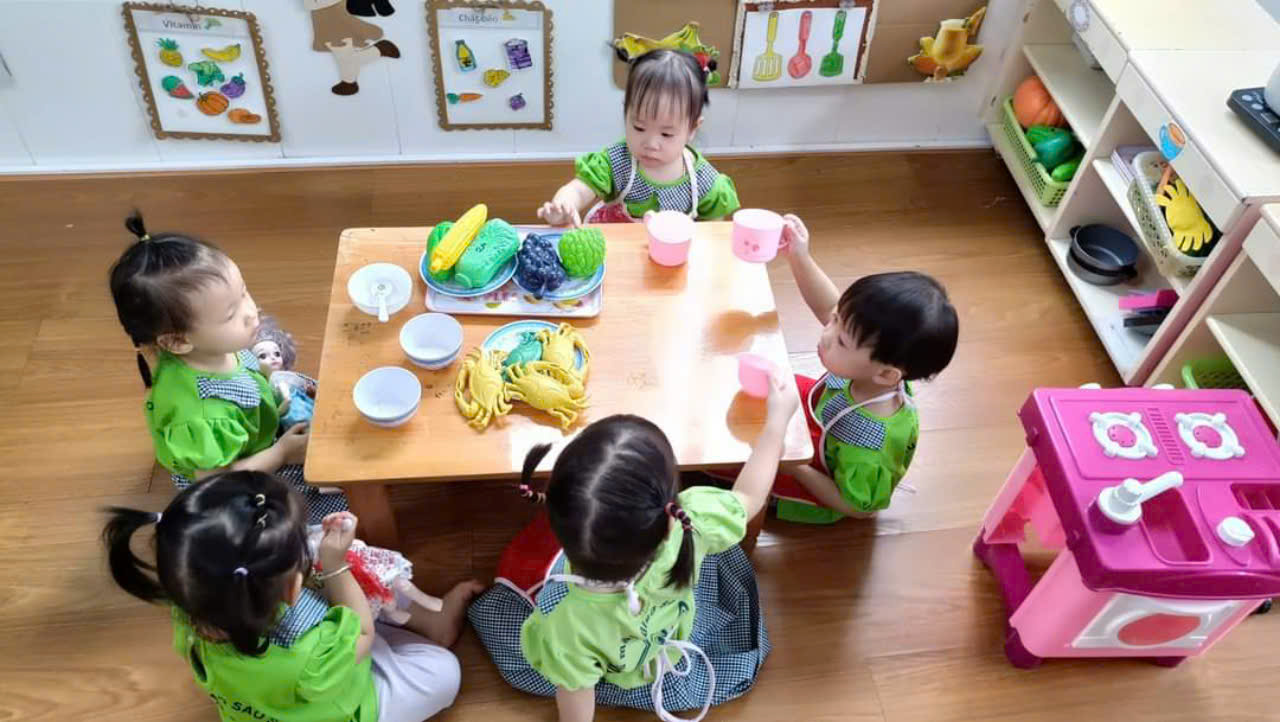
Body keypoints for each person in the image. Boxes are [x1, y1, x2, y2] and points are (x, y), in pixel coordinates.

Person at [468, 373, 798, 721]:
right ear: (669, 518)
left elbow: (576, 700)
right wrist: (776, 424)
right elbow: (748, 496)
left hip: (623, 666)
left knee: (514, 649)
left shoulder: (566, 626)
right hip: (670, 644)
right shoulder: (693, 524)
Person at [103, 470, 482, 722]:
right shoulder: (309, 657)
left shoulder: (190, 610)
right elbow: (363, 632)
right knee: (444, 672)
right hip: (339, 702)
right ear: (291, 590)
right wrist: (334, 563)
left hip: (281, 693)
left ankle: (413, 629)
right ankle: (431, 629)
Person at [107, 211, 345, 523]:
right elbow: (217, 482)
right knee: (334, 498)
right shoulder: (203, 416)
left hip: (253, 429)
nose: (250, 312)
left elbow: (250, 371)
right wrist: (282, 453)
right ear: (177, 341)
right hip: (227, 476)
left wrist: (274, 390)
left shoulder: (210, 348)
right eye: (230, 314)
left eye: (244, 292)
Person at [772, 214, 959, 523]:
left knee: (738, 466)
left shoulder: (867, 448)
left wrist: (795, 465)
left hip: (819, 484)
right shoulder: (874, 370)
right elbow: (828, 306)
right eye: (836, 320)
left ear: (886, 374)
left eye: (841, 341)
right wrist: (799, 257)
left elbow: (858, 508)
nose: (827, 333)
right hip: (825, 413)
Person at [538, 49, 739, 227]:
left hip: (671, 254)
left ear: (692, 129)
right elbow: (579, 190)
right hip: (617, 250)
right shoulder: (617, 162)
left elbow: (713, 232)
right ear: (626, 114)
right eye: (639, 127)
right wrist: (564, 206)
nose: (650, 144)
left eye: (666, 134)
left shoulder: (704, 181)